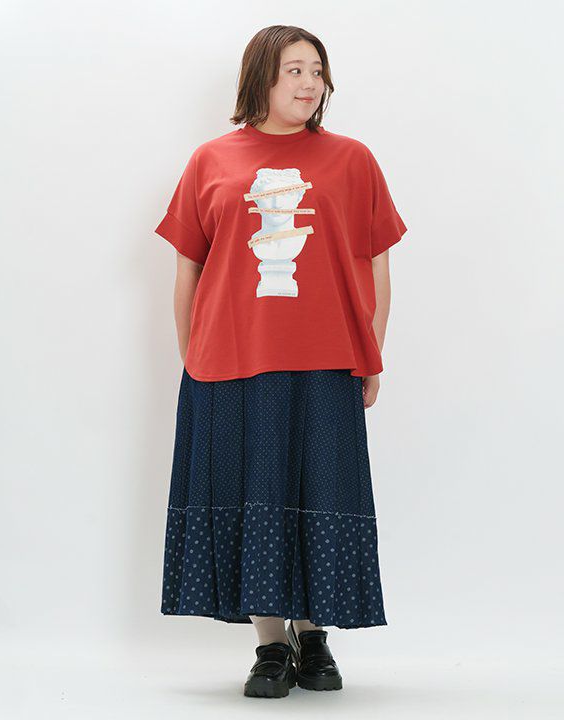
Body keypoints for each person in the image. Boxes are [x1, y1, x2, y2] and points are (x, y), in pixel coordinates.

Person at [154, 25, 407, 699]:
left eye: (317, 71)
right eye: (295, 69)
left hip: (328, 358)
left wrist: (373, 352)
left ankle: (313, 636)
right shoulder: (211, 159)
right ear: (261, 77)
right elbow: (188, 269)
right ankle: (270, 644)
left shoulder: (352, 159)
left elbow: (377, 263)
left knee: (323, 490)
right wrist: (192, 355)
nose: (309, 83)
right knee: (255, 494)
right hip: (233, 360)